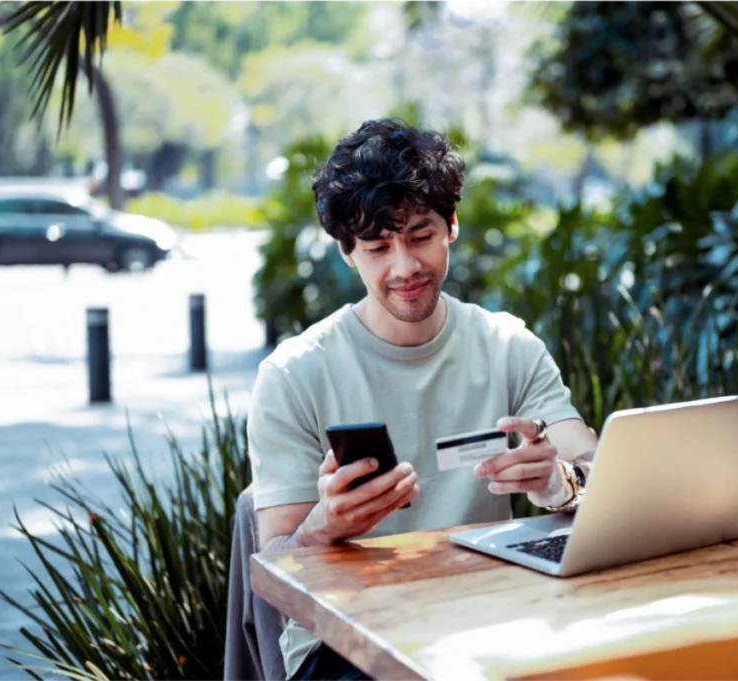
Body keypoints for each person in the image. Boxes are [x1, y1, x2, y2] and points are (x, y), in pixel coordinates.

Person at [247, 118, 599, 681]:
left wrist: (560, 483)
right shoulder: (294, 374)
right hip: (346, 644)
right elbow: (277, 561)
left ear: (451, 227)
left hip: (491, 617)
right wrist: (325, 524)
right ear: (347, 252)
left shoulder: (508, 346)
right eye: (379, 246)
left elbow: (596, 472)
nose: (405, 267)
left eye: (420, 237)